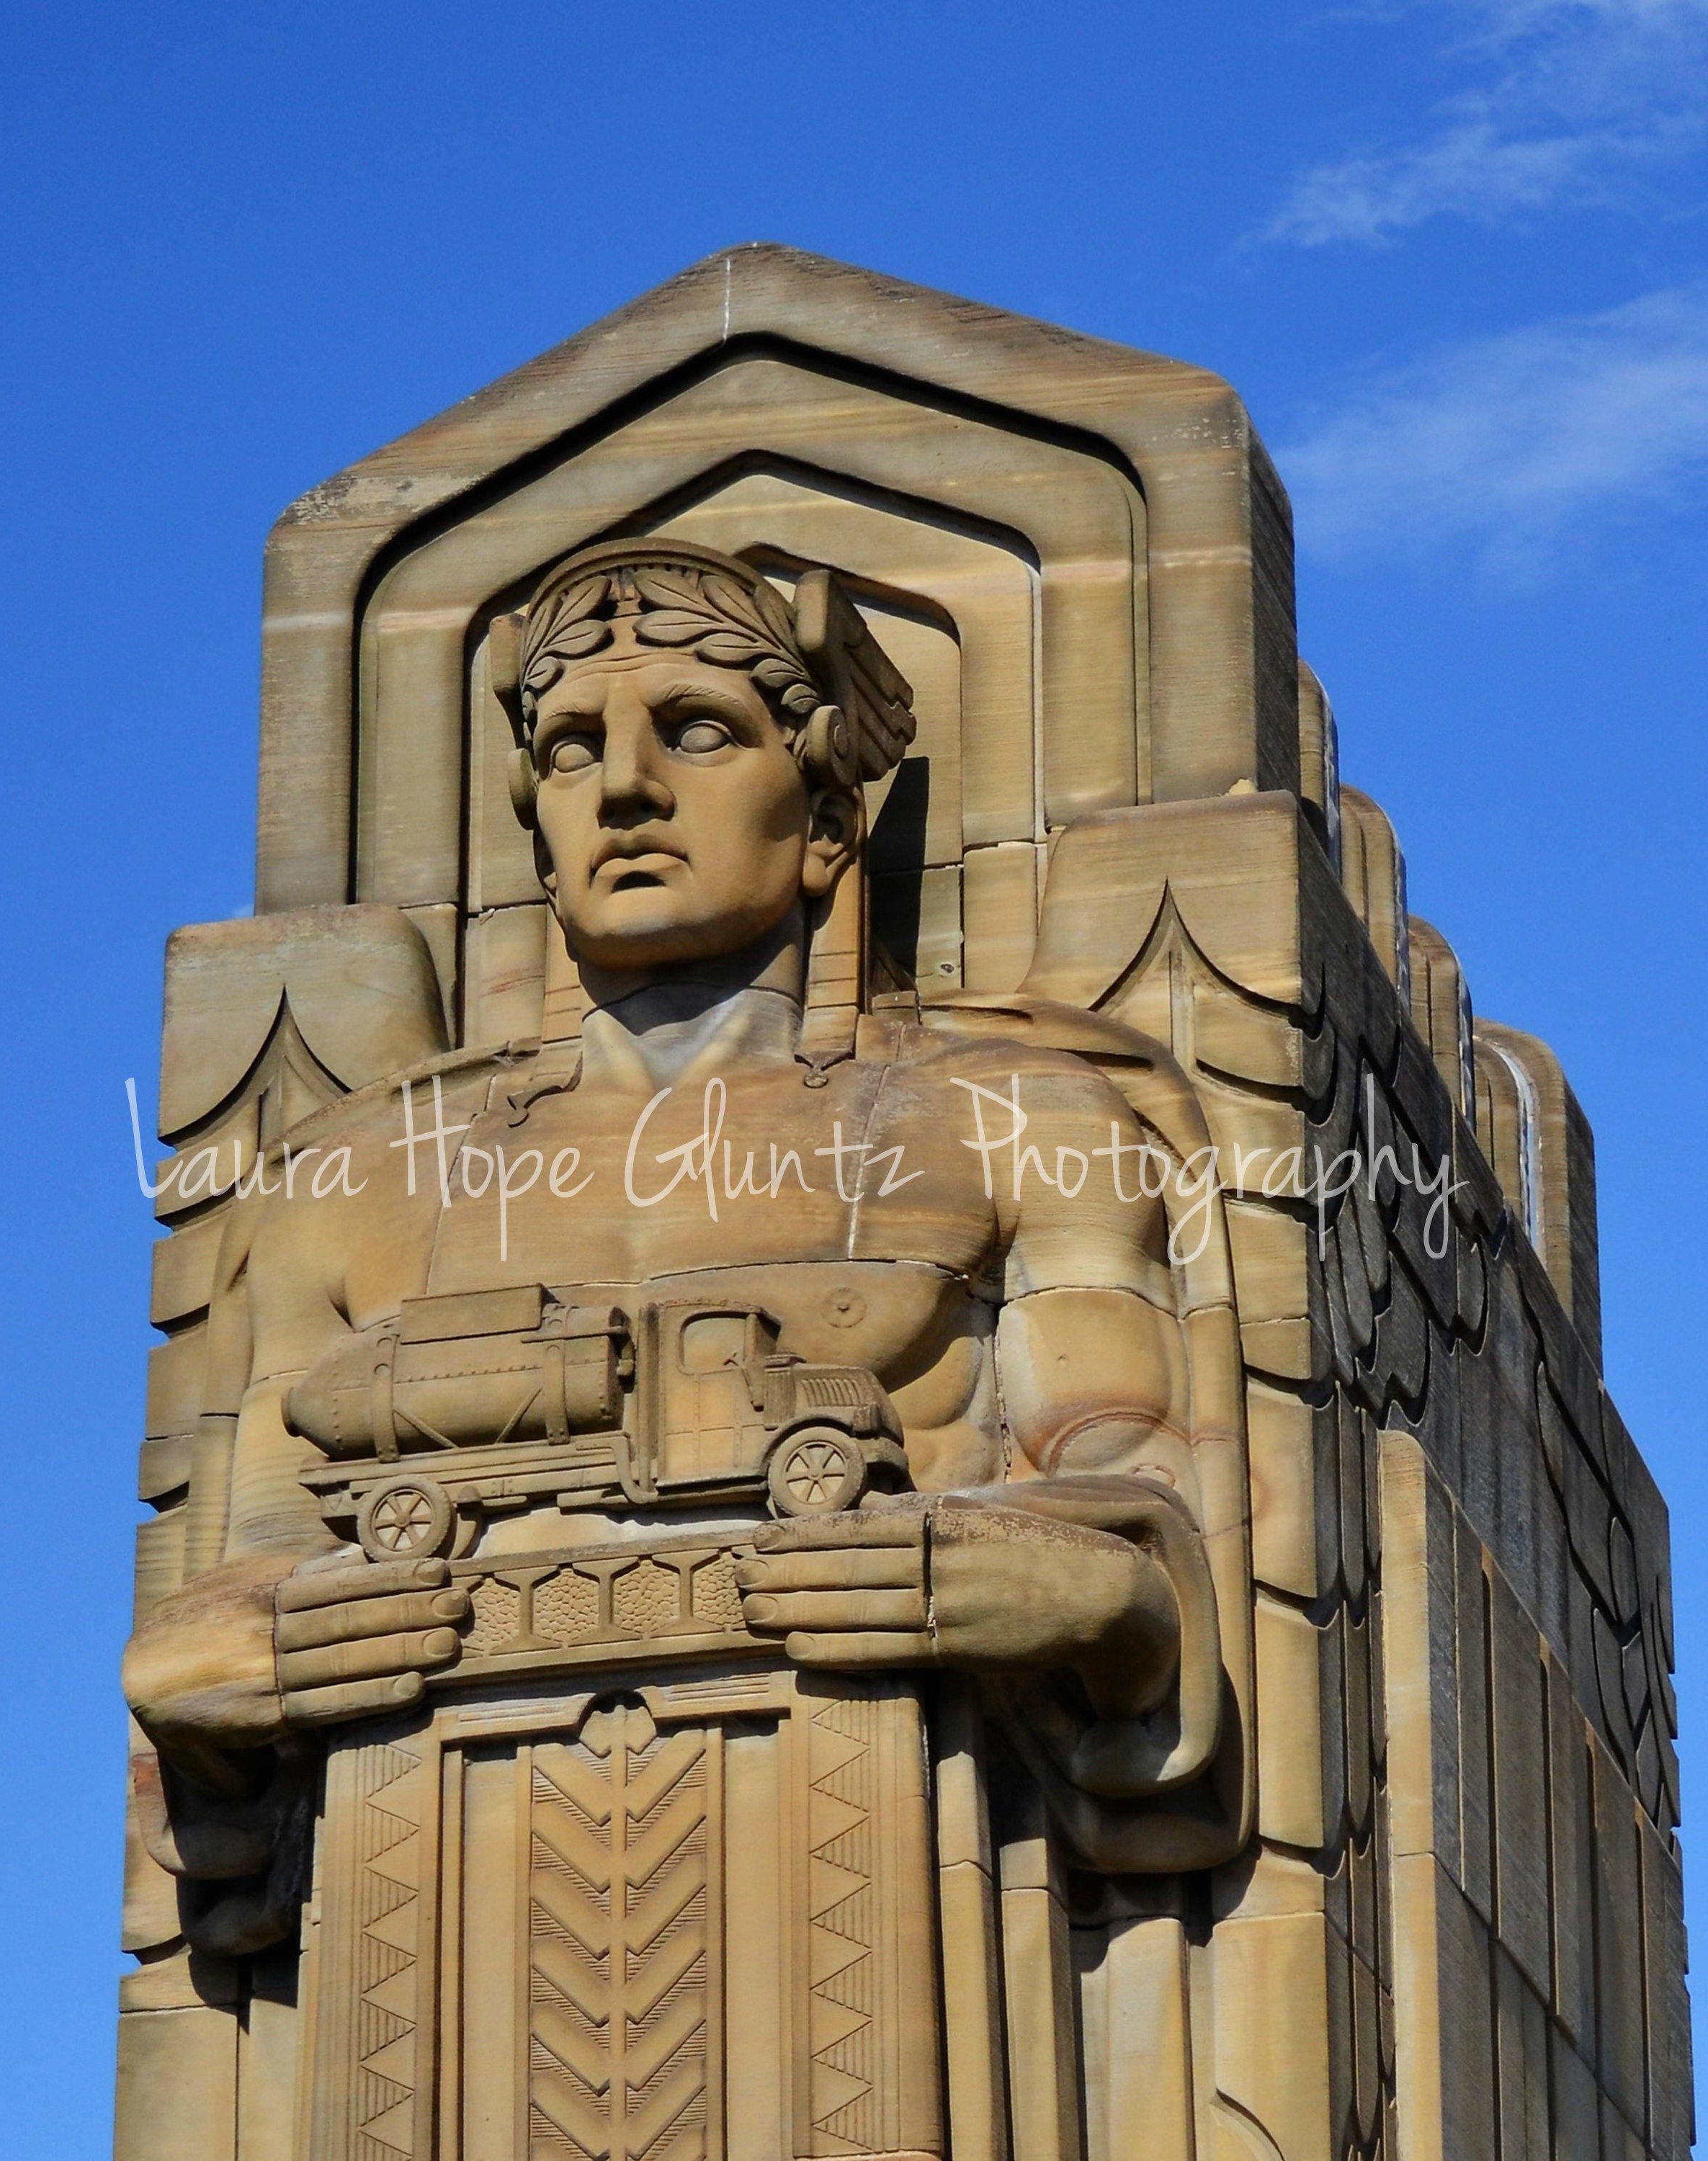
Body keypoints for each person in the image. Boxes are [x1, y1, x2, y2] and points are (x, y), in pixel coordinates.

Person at [124, 540, 1238, 1970]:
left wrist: (1030, 1584)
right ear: (537, 824)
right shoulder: (355, 1180)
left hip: (888, 1891)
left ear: (824, 817)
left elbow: (1140, 1520)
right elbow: (230, 1603)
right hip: (430, 1925)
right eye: (572, 747)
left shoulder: (1017, 1118)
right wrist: (243, 1667)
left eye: (697, 730)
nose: (626, 787)